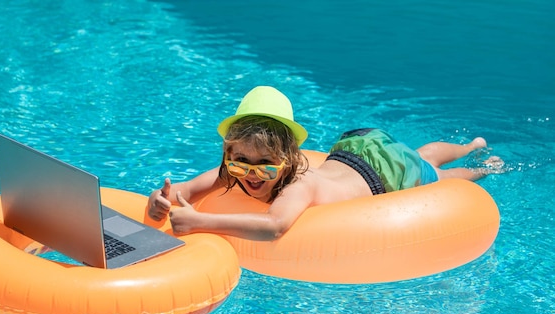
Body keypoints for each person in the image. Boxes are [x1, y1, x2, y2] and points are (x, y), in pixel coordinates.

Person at [148, 86, 503, 241]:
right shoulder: (235, 170)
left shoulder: (299, 184)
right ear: (229, 154)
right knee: (421, 153)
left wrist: (200, 222)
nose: (251, 174)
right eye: (241, 161)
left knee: (435, 172)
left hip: (382, 171)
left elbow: (275, 225)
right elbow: (185, 189)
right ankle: (471, 144)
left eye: (265, 164)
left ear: (287, 160)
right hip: (355, 148)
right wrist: (159, 200)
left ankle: (479, 163)